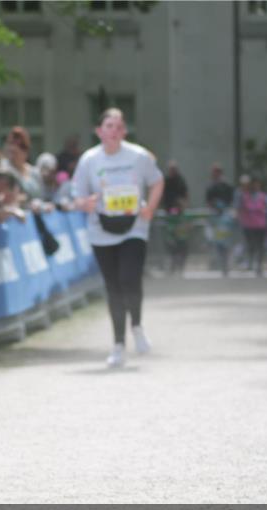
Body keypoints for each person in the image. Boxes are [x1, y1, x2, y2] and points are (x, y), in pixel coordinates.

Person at [72, 108, 163, 368]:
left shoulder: (138, 156)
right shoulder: (89, 160)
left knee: (129, 278)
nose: (114, 131)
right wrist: (84, 203)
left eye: (118, 126)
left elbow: (157, 181)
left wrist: (150, 208)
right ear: (99, 131)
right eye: (108, 126)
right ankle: (118, 344)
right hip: (102, 229)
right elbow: (77, 195)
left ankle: (137, 325)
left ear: (124, 131)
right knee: (113, 286)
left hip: (134, 227)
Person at [204, 164, 236, 277]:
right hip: (215, 219)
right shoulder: (210, 187)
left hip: (225, 219)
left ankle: (226, 264)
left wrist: (227, 210)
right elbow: (208, 202)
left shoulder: (227, 186)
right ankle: (222, 264)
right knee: (217, 243)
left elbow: (232, 200)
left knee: (226, 243)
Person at [1, 126, 41, 199]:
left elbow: (41, 196)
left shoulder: (34, 171)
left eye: (21, 146)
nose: (13, 148)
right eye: (11, 143)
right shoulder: (3, 169)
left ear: (26, 152)